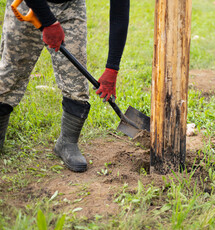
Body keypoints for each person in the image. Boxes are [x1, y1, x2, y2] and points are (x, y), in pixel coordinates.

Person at [0, 0, 129, 172]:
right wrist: (49, 22)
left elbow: (119, 13)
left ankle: (67, 143)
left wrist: (112, 68)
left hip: (71, 6)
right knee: (10, 75)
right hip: (28, 4)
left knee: (76, 81)